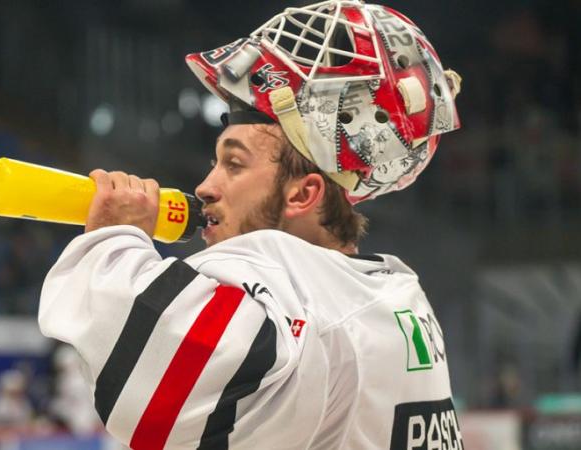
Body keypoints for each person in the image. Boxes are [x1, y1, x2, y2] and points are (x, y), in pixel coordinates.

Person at [38, 1, 464, 449]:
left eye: (234, 164)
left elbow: (147, 394)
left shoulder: (309, 312)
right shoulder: (393, 293)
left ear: (303, 194)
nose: (204, 186)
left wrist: (114, 238)